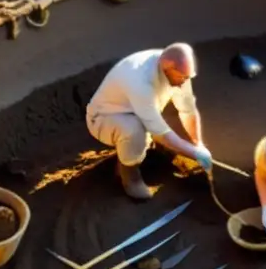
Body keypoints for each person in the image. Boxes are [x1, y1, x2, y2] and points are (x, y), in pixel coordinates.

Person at [86, 43, 212, 200]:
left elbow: (187, 110)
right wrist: (195, 154)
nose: (183, 82)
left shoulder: (178, 70)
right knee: (135, 130)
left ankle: (146, 147)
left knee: (165, 125)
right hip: (105, 118)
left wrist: (197, 143)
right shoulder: (139, 80)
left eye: (187, 78)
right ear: (167, 68)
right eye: (181, 78)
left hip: (139, 110)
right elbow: (160, 133)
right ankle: (129, 174)